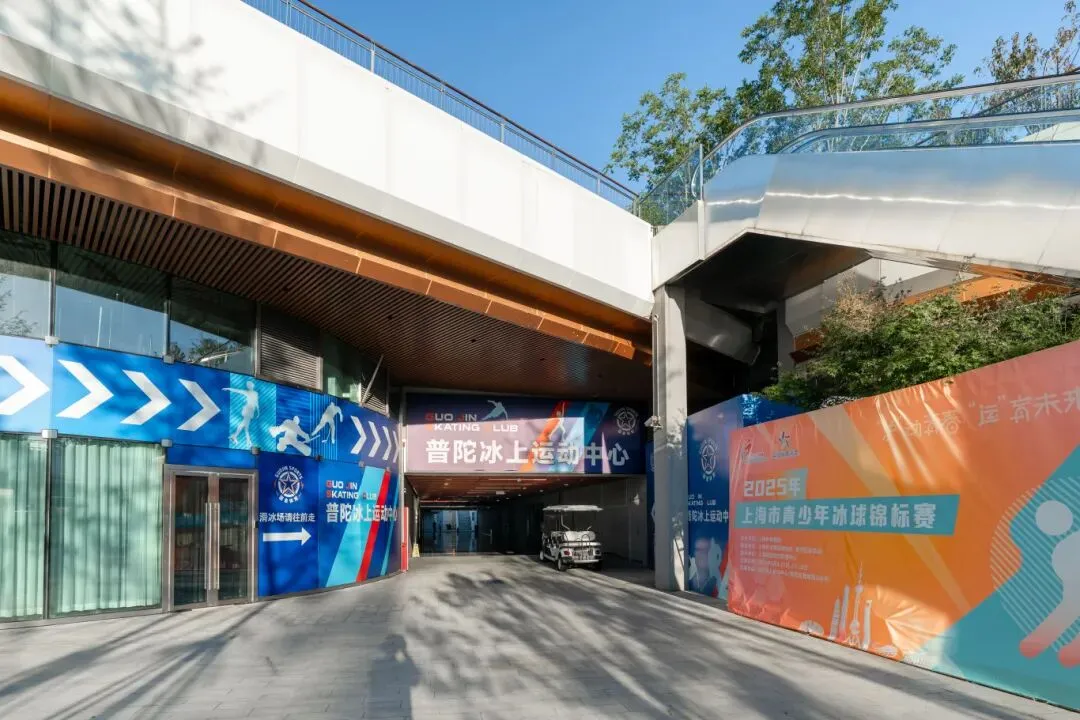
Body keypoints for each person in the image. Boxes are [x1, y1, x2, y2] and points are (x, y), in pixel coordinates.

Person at [224, 380, 259, 447]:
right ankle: (244, 439)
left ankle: (240, 438)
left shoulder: (255, 393)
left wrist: (258, 411)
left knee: (245, 426)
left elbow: (256, 402)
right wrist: (228, 388)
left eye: (250, 385)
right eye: (248, 385)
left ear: (252, 385)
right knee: (245, 425)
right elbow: (237, 390)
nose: (250, 386)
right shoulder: (247, 392)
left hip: (251, 410)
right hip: (248, 409)